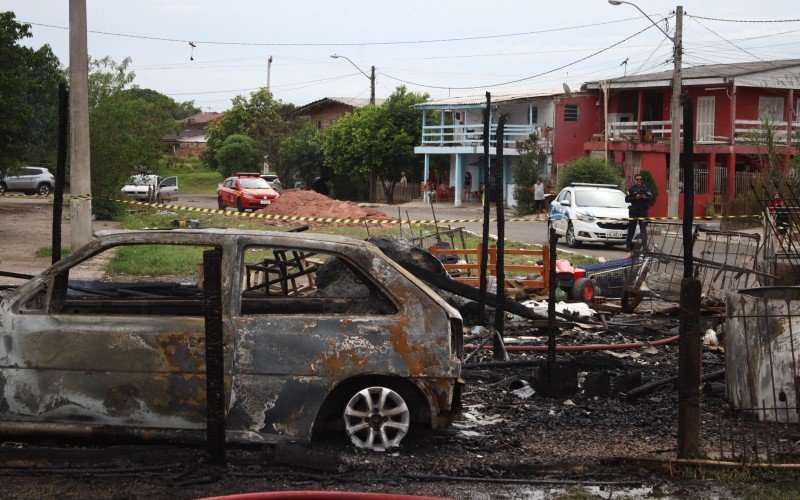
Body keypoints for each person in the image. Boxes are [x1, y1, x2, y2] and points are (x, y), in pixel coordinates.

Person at [625, 174, 653, 251]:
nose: (639, 181)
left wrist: (645, 197)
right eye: (637, 179)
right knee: (631, 229)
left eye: (640, 179)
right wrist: (635, 197)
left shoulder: (645, 189)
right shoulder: (631, 189)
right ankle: (628, 246)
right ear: (634, 180)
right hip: (634, 212)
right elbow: (626, 199)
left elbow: (651, 198)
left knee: (643, 230)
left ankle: (645, 247)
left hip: (643, 212)